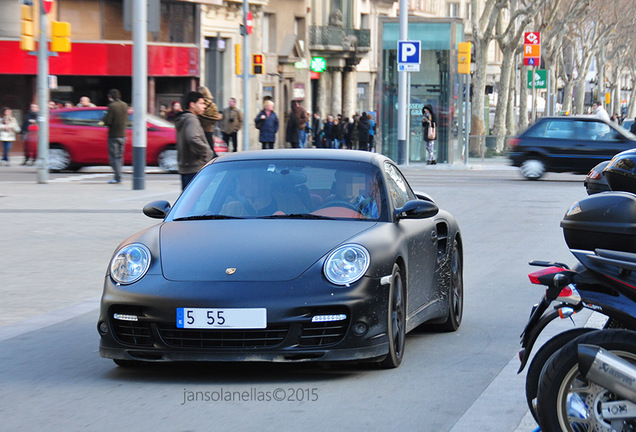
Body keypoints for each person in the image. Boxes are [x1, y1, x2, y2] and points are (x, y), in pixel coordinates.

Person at [174, 91, 214, 190]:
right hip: (194, 166)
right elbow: (193, 138)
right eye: (201, 103)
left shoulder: (183, 118)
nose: (204, 106)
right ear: (192, 105)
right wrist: (207, 152)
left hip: (186, 166)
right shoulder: (192, 119)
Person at [102, 89, 129, 184]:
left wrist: (103, 120)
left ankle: (118, 177)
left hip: (113, 135)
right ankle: (119, 175)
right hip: (123, 135)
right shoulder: (125, 105)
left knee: (114, 157)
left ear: (110, 96)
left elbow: (108, 121)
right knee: (120, 157)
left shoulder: (112, 106)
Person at [197, 86, 221, 153]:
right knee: (209, 148)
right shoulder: (212, 104)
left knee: (207, 150)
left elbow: (214, 116)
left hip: (203, 129)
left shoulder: (200, 104)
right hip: (209, 129)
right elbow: (215, 116)